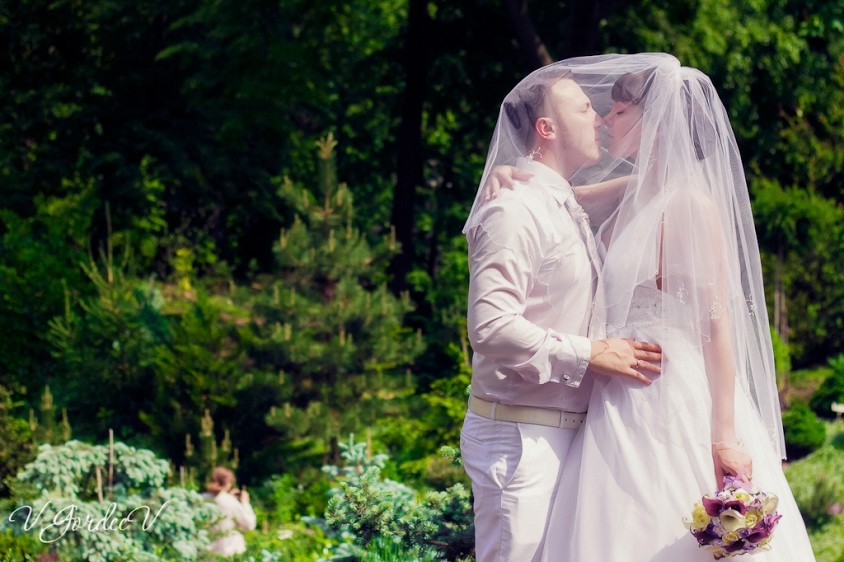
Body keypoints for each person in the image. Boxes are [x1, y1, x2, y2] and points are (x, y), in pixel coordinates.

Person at [499, 54, 815, 561]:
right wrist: (512, 174)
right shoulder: (636, 193)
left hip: (669, 394)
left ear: (657, 122)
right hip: (616, 396)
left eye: (620, 111)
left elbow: (717, 327)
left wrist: (723, 437)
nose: (605, 119)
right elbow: (559, 194)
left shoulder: (688, 205)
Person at [461, 65, 663, 562]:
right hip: (520, 438)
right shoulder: (514, 210)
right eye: (583, 108)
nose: (598, 117)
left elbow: (652, 182)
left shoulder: (558, 201)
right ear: (546, 128)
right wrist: (590, 353)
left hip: (565, 433)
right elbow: (489, 326)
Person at [205, 466, 257, 557]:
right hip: (228, 553)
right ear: (228, 483)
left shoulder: (201, 499)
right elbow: (249, 525)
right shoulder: (230, 501)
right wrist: (245, 503)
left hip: (206, 554)